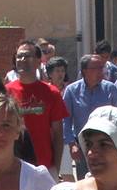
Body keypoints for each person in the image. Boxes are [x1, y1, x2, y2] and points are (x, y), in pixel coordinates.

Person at [6, 43, 70, 179]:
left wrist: (57, 168)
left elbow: (58, 134)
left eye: (27, 56)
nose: (22, 60)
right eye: (19, 56)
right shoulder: (6, 92)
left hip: (44, 167)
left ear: (38, 61)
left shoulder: (52, 93)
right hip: (15, 167)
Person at [62, 55, 117, 178]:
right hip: (83, 145)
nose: (102, 71)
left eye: (102, 67)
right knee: (85, 182)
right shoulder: (72, 90)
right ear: (85, 71)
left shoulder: (110, 89)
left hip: (106, 144)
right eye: (97, 68)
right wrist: (71, 144)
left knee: (107, 179)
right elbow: (66, 120)